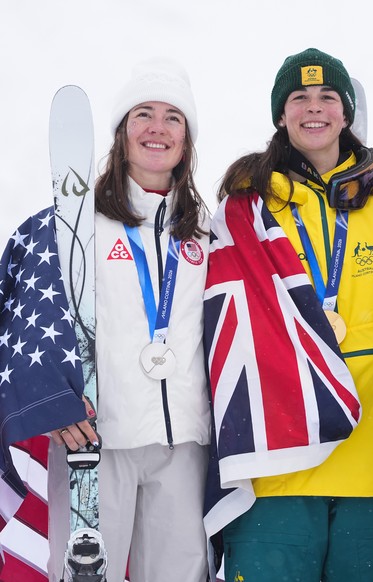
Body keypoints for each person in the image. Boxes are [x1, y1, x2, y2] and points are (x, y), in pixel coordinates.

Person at [203, 48, 373, 582]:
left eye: (327, 97)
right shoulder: (245, 206)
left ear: (346, 112)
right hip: (276, 455)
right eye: (299, 98)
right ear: (280, 114)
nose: (313, 109)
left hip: (372, 456)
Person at [44, 57, 211, 581]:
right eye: (143, 114)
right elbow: (36, 318)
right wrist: (53, 400)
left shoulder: (208, 230)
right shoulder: (77, 223)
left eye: (173, 118)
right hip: (97, 438)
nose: (157, 128)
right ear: (122, 132)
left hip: (182, 440)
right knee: (85, 573)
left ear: (186, 141)